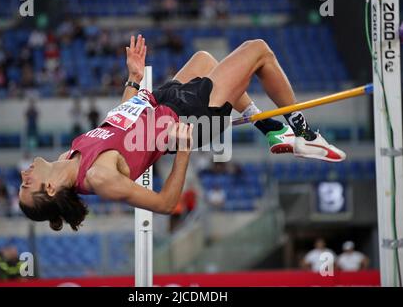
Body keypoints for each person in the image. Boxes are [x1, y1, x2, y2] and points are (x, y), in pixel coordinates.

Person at [18, 35, 345, 231]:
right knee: (258, 50)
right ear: (49, 187)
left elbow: (120, 120)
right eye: (26, 183)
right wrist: (184, 147)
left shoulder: (69, 157)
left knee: (204, 60)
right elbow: (164, 203)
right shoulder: (99, 177)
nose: (23, 174)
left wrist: (132, 80)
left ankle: (272, 129)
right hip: (188, 116)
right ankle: (303, 133)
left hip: (159, 100)